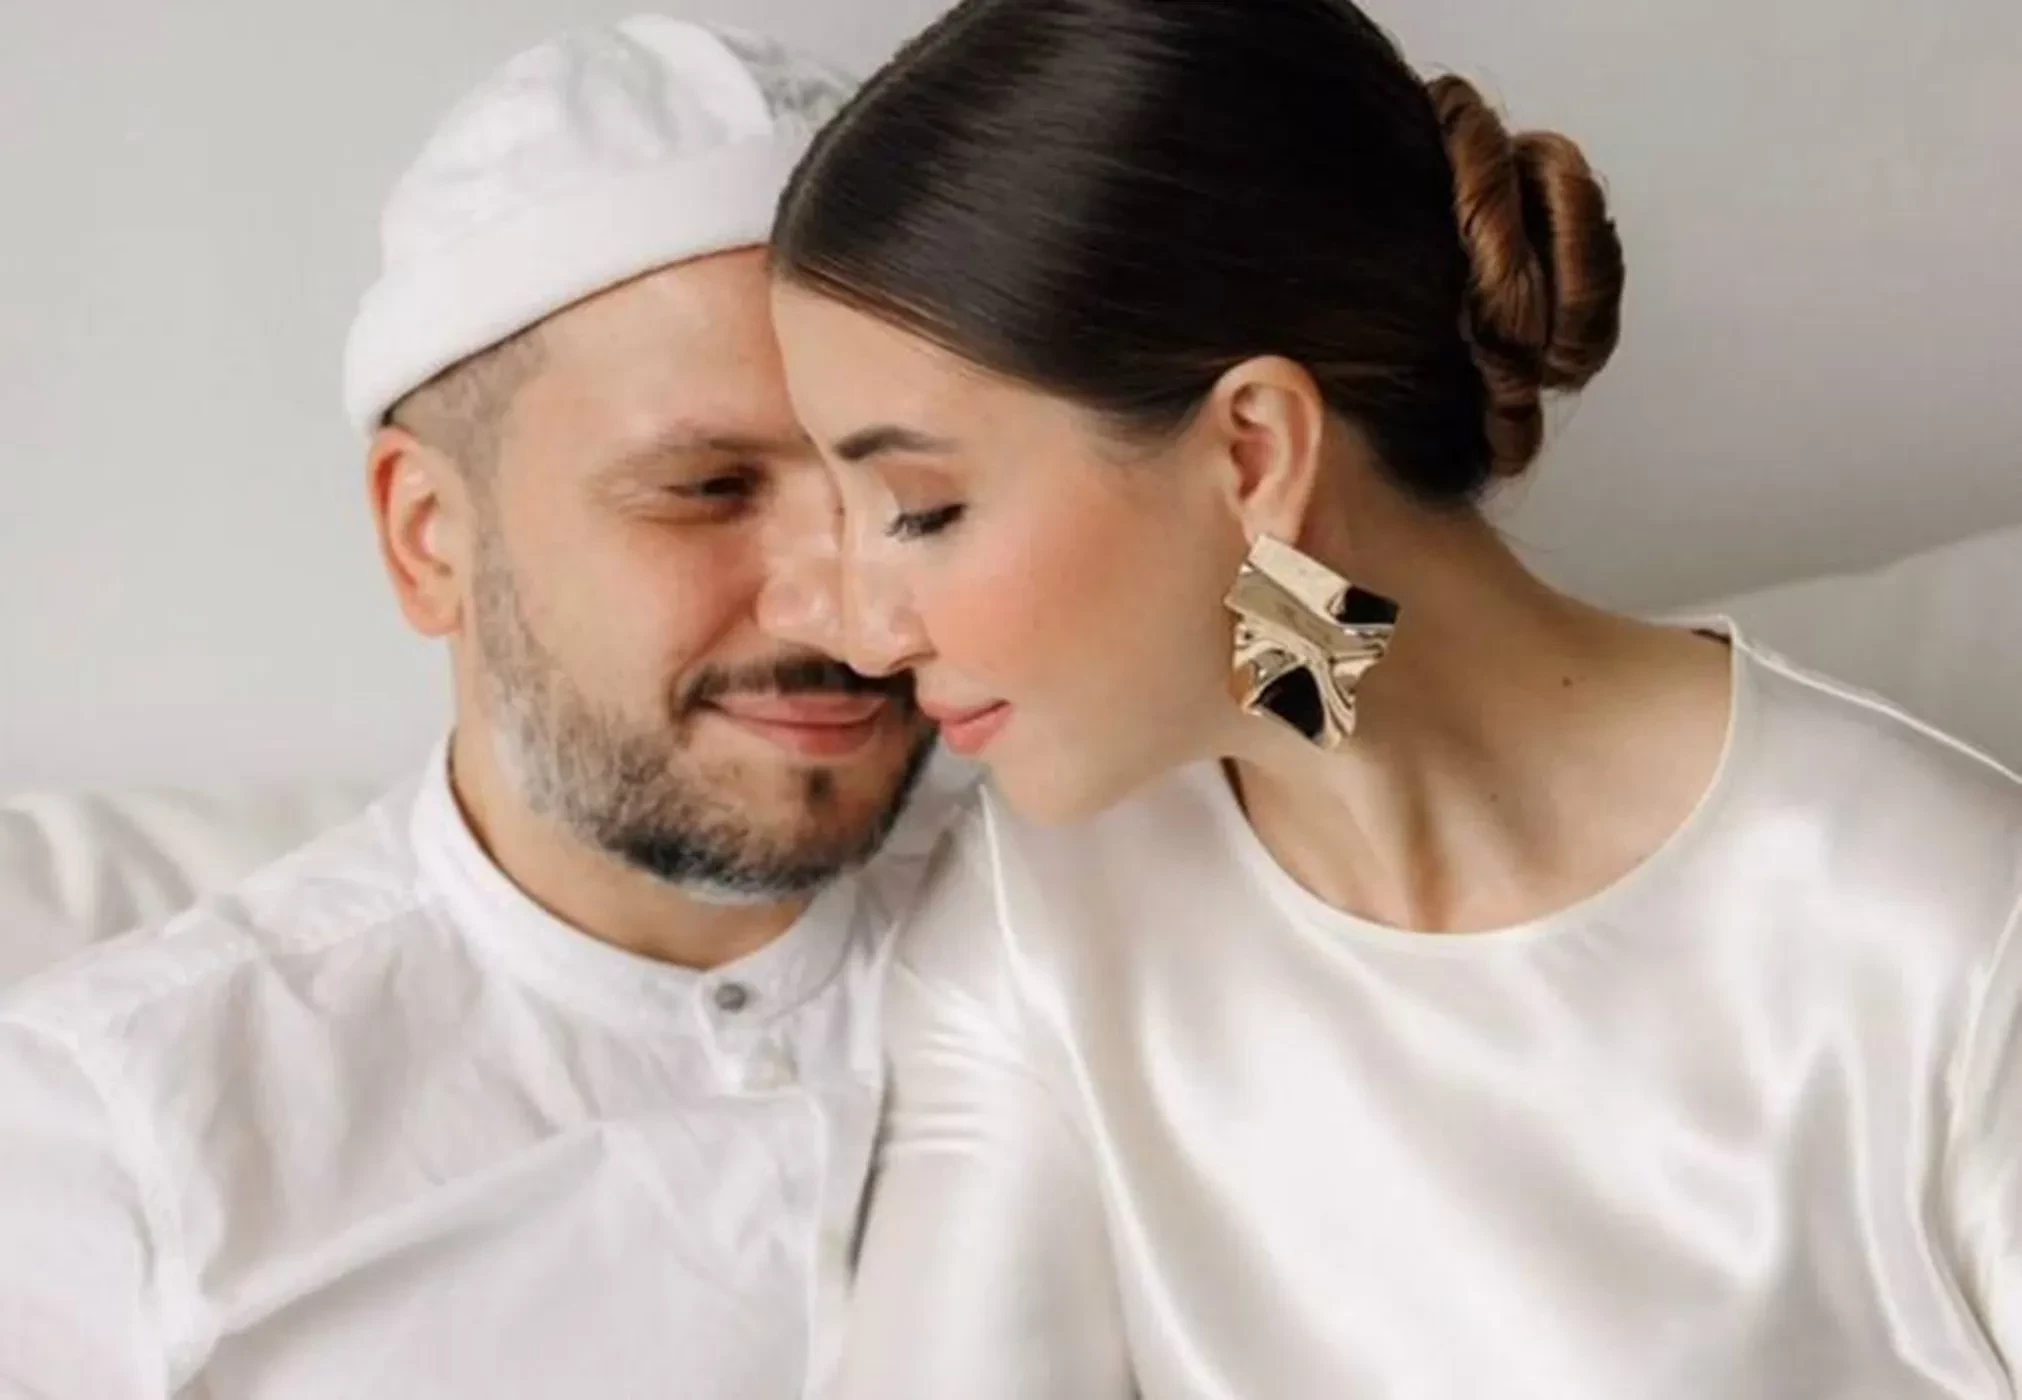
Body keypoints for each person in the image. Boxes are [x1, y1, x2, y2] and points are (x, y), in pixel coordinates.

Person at [764, 0, 2022, 1393]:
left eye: (922, 508)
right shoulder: (1049, 920)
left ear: (1252, 454)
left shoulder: (1941, 935)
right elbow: (1327, 671)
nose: (862, 632)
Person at [0, 18, 962, 1398]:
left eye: (904, 493)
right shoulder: (112, 1137)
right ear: (429, 537)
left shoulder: (1116, 931)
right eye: (707, 490)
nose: (853, 609)